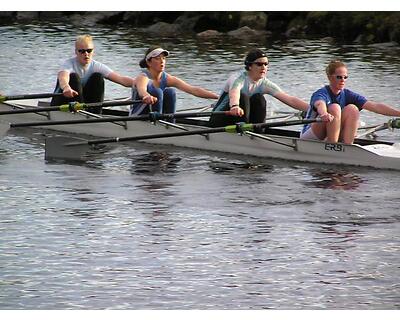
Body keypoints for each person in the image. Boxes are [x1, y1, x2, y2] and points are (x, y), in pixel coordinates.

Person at [301, 60, 400, 144]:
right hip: (310, 135)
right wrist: (324, 113)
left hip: (330, 134)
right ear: (330, 77)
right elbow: (320, 104)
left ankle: (347, 146)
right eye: (339, 77)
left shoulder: (348, 94)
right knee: (335, 107)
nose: (343, 80)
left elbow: (375, 106)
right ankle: (333, 146)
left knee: (353, 109)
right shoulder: (321, 93)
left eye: (345, 77)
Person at [208, 48, 309, 128]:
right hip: (219, 119)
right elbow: (234, 93)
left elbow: (290, 100)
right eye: (259, 64)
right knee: (243, 96)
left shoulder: (265, 84)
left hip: (242, 121)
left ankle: (258, 130)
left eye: (266, 64)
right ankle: (245, 130)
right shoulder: (238, 78)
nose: (263, 67)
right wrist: (235, 106)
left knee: (259, 98)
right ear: (250, 66)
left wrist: (313, 109)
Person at [50, 34, 136, 113]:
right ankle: (81, 112)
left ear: (93, 51)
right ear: (76, 52)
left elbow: (121, 79)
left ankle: (96, 112)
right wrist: (66, 88)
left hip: (82, 104)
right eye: (82, 51)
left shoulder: (96, 66)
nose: (86, 54)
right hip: (61, 103)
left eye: (89, 50)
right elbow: (63, 78)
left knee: (98, 77)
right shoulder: (68, 64)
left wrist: (142, 85)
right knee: (74, 77)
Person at [130, 46, 218, 117]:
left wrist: (218, 97)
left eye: (163, 58)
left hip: (156, 116)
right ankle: (158, 125)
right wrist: (146, 96)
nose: (162, 61)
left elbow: (193, 90)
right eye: (157, 58)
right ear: (148, 63)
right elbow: (142, 91)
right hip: (138, 116)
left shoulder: (167, 78)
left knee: (170, 92)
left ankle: (168, 123)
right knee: (157, 91)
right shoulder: (143, 77)